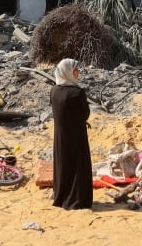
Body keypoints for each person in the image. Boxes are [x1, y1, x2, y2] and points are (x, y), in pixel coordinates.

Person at [50, 58, 93, 210]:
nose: (78, 72)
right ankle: (77, 200)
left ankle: (60, 197)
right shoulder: (78, 93)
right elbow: (85, 114)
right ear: (69, 72)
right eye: (76, 69)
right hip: (77, 136)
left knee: (63, 166)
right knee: (77, 166)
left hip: (60, 137)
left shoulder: (54, 91)